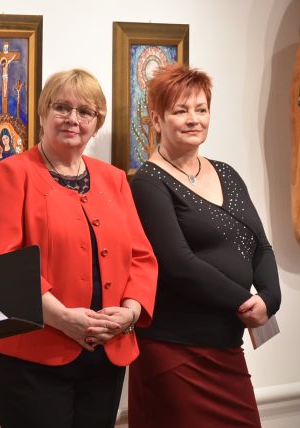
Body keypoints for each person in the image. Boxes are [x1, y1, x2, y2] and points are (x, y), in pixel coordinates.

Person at [0, 69, 158, 428]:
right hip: (30, 356)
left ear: (96, 122)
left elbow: (141, 257)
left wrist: (130, 313)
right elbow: (1, 263)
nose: (73, 119)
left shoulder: (114, 179)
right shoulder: (12, 173)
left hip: (106, 353)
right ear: (43, 112)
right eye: (61, 107)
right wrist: (62, 318)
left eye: (85, 111)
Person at [128, 64, 282, 428]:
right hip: (175, 353)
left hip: (227, 347)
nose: (193, 119)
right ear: (156, 119)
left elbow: (260, 246)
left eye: (201, 109)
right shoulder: (148, 183)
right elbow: (179, 265)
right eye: (180, 111)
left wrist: (269, 299)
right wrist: (245, 302)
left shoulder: (226, 172)